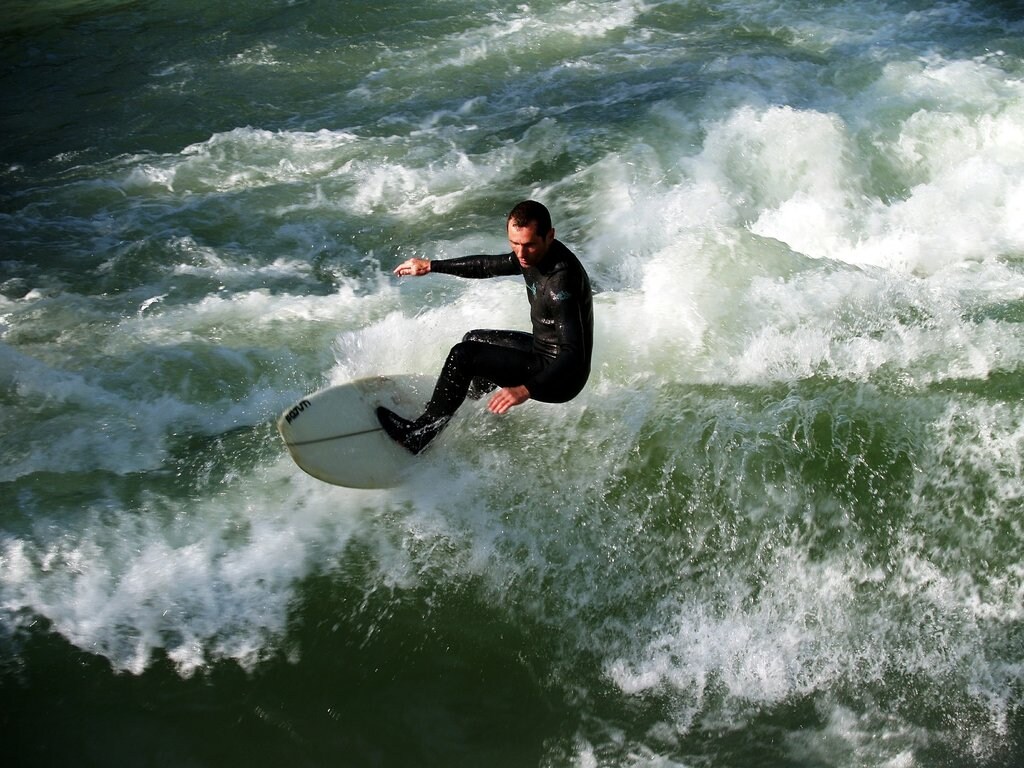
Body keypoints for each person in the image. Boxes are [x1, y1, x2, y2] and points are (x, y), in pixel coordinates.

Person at [377, 200, 594, 454]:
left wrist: (525, 390)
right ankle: (461, 407)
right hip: (542, 350)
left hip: (561, 377)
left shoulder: (560, 282)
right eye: (514, 243)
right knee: (474, 340)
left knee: (464, 355)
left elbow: (573, 354)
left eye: (529, 245)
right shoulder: (533, 255)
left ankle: (419, 436)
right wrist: (431, 266)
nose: (521, 253)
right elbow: (486, 266)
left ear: (550, 236)